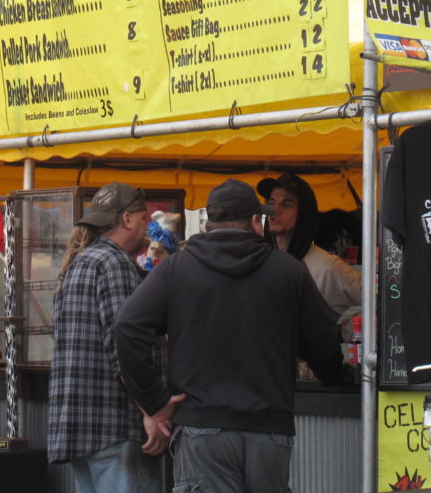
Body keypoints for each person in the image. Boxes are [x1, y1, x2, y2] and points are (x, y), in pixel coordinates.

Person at [114, 179, 345, 493]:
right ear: (254, 221)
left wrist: (154, 401)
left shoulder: (177, 269)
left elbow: (127, 327)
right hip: (269, 429)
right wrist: (333, 375)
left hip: (202, 430)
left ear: (209, 223)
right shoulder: (288, 270)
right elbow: (323, 337)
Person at [47, 182, 168, 493]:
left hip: (81, 427)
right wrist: (152, 412)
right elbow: (124, 348)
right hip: (113, 426)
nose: (148, 226)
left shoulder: (81, 262)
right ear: (127, 219)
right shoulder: (114, 264)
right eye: (144, 218)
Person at [258, 173, 362, 323]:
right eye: (271, 202)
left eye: (287, 204)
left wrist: (343, 332)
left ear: (304, 213)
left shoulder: (326, 267)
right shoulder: (260, 262)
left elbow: (377, 302)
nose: (275, 210)